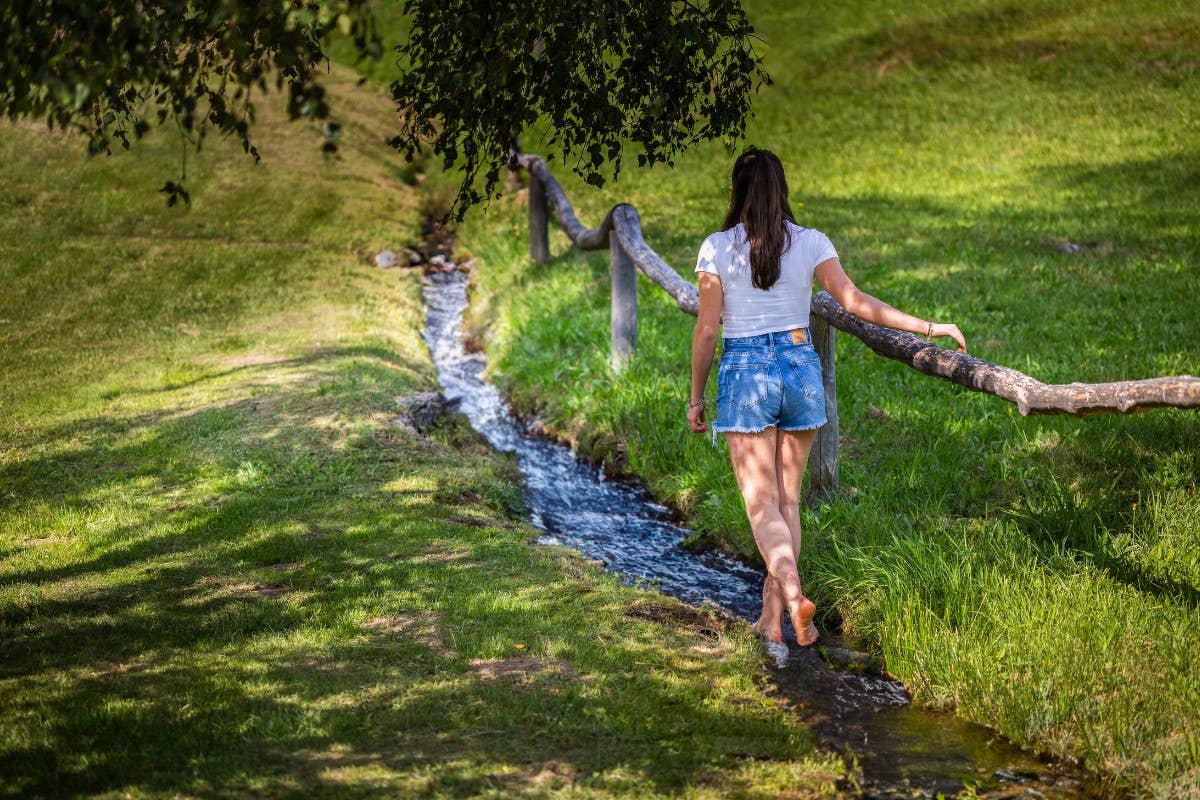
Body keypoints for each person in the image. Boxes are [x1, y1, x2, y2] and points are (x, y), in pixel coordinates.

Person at [686, 148, 966, 647]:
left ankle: (792, 597)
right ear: (782, 190)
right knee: (787, 502)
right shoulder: (811, 242)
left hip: (747, 372)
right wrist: (927, 327)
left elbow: (708, 331)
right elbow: (855, 301)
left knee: (760, 504)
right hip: (800, 367)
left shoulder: (716, 248)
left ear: (738, 191)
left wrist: (695, 398)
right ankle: (771, 622)